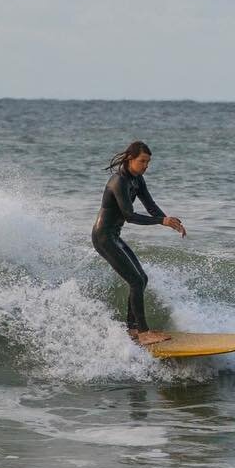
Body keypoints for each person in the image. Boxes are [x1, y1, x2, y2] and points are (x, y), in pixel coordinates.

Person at [91, 141, 187, 343]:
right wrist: (161, 220)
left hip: (113, 236)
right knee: (135, 281)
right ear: (130, 159)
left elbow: (150, 206)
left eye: (148, 162)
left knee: (142, 279)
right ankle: (144, 333)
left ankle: (132, 329)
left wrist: (167, 221)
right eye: (143, 161)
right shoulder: (118, 182)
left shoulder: (137, 180)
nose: (146, 166)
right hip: (103, 237)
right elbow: (130, 216)